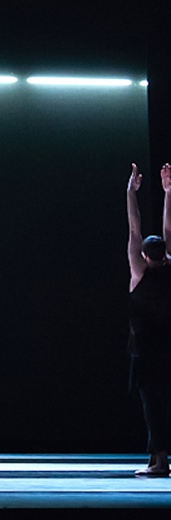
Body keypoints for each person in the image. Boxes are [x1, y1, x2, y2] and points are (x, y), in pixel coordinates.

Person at [126, 162, 171, 477]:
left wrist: (131, 192)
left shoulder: (139, 273)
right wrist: (168, 193)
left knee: (153, 405)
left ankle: (160, 460)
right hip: (166, 348)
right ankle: (157, 459)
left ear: (144, 256)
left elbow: (134, 228)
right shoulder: (169, 269)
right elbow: (168, 231)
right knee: (160, 404)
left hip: (147, 351)